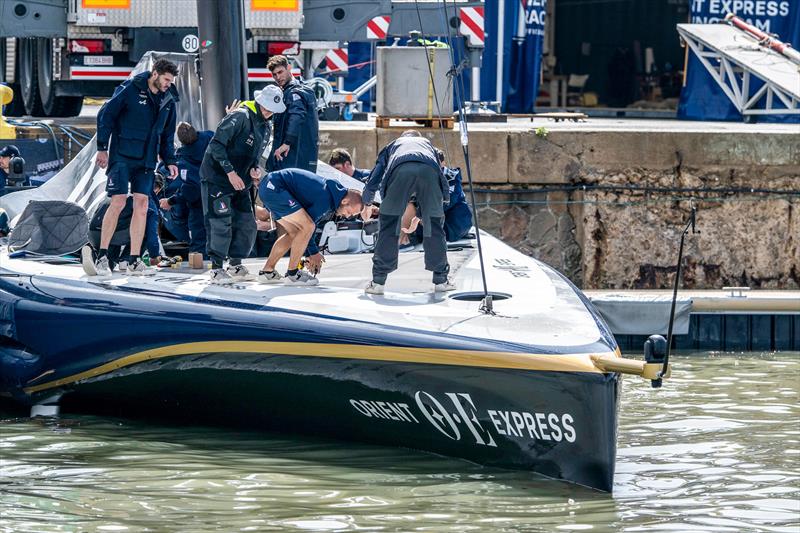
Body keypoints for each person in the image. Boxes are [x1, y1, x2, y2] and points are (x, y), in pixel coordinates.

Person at [93, 58, 180, 276]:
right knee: (119, 201)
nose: (169, 84)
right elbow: (106, 115)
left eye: (171, 80)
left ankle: (133, 259)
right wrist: (102, 147)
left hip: (147, 159)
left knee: (143, 205)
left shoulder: (168, 99)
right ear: (155, 74)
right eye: (166, 79)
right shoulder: (131, 88)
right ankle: (102, 256)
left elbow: (168, 134)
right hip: (122, 155)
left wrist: (170, 160)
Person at [200, 85, 285, 285]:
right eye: (265, 107)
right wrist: (229, 172)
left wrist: (255, 170)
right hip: (218, 178)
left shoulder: (265, 126)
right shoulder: (240, 117)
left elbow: (254, 155)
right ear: (259, 102)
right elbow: (216, 145)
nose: (268, 112)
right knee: (220, 221)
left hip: (241, 181)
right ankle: (216, 268)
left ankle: (235, 263)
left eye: (272, 109)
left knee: (246, 223)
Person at [360, 131, 455, 295]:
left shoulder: (393, 145)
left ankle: (378, 282)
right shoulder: (428, 145)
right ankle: (441, 280)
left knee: (389, 225)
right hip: (429, 172)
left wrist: (367, 202)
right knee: (434, 226)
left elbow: (376, 174)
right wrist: (428, 210)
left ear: (404, 136)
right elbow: (436, 174)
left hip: (400, 170)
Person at [257, 168, 363, 286]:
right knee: (307, 226)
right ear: (344, 201)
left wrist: (310, 254)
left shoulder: (330, 194)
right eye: (350, 212)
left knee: (295, 232)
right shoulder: (326, 198)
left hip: (270, 187)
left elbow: (306, 231)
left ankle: (267, 272)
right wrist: (313, 253)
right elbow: (308, 226)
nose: (348, 216)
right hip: (275, 187)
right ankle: (293, 274)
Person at [87, 174, 165, 272]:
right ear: (157, 189)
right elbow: (152, 235)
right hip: (116, 234)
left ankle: (94, 256)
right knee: (143, 228)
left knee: (109, 263)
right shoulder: (146, 200)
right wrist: (155, 256)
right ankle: (127, 260)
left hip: (94, 232)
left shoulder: (120, 191)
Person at [400, 148, 473, 247]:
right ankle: (402, 239)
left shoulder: (451, 178)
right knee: (408, 204)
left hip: (453, 225)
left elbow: (447, 201)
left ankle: (405, 239)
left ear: (443, 163)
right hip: (428, 223)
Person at [160, 122, 213, 256]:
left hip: (199, 203)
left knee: (199, 240)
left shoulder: (183, 161)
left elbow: (191, 189)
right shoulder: (210, 137)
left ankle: (201, 260)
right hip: (220, 195)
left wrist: (171, 201)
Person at [266, 55, 319, 173]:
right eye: (274, 74)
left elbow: (297, 116)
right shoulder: (301, 89)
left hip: (292, 157)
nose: (278, 77)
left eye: (280, 72)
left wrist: (287, 142)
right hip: (301, 157)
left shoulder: (294, 93)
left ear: (289, 68)